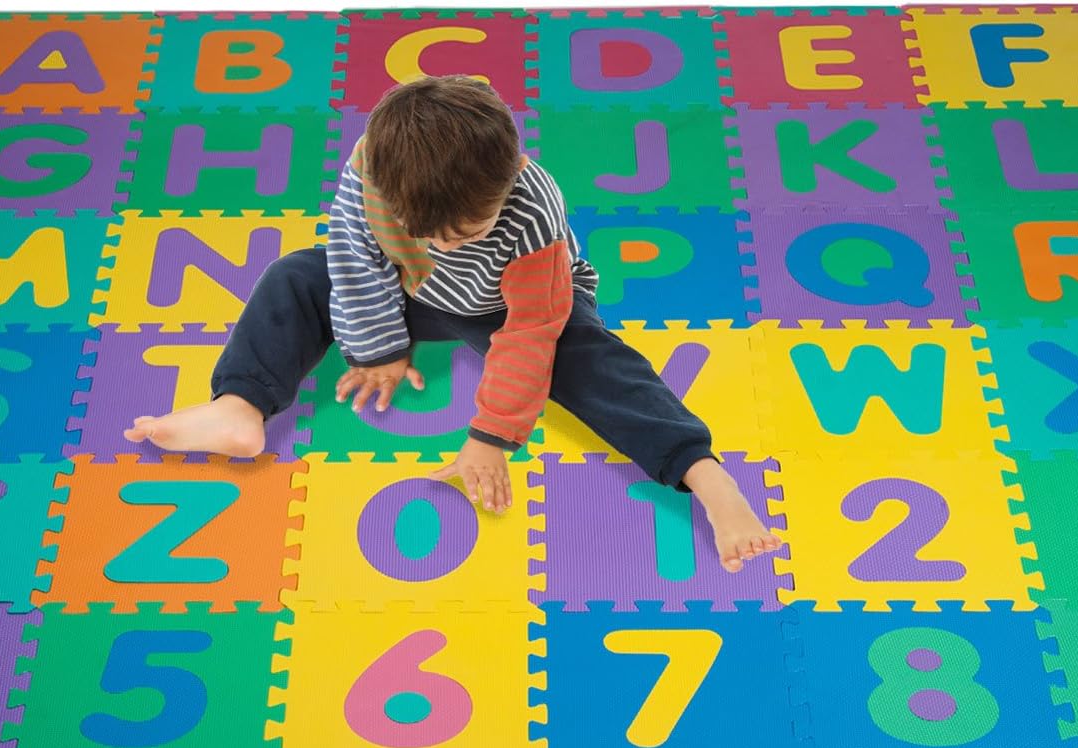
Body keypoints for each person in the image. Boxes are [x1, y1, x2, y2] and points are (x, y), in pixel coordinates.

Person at [124, 75, 784, 573]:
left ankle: (704, 475)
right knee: (297, 275)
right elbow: (356, 254)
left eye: (465, 230)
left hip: (514, 302)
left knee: (589, 358)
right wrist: (376, 345)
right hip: (414, 295)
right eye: (428, 232)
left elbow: (528, 332)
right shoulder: (372, 170)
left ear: (511, 178)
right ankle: (239, 405)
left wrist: (491, 435)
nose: (444, 243)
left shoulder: (530, 212)